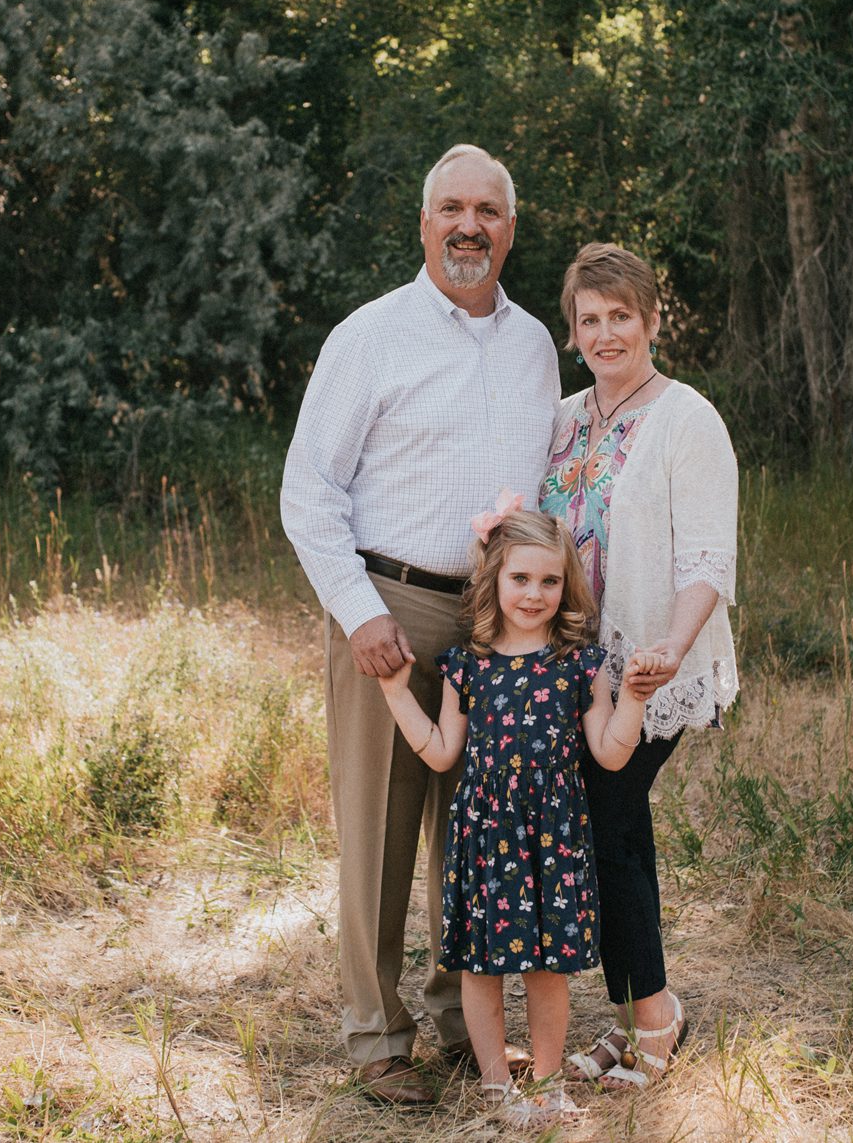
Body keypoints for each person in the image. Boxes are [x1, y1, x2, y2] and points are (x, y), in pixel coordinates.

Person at [280, 145, 560, 1105]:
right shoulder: (372, 335)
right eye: (452, 208)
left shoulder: (533, 345)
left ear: (510, 229)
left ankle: (458, 1019)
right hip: (389, 604)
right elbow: (307, 491)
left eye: (487, 209)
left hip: (497, 619)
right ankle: (375, 1036)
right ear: (425, 223)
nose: (469, 225)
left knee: (476, 832)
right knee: (380, 828)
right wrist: (358, 612)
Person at [376, 502, 663, 1125]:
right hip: (485, 836)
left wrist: (634, 700)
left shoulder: (578, 665)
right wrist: (398, 694)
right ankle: (496, 1087)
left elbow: (611, 754)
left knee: (546, 967)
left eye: (550, 581)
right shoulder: (467, 665)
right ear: (494, 579)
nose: (535, 594)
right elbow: (442, 749)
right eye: (521, 579)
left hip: (553, 838)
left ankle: (549, 1084)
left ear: (567, 586)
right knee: (483, 965)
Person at [540, 241, 740, 1090]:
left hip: (650, 663)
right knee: (599, 828)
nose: (607, 332)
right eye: (591, 319)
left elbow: (707, 560)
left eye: (622, 315)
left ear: (653, 318)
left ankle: (655, 1015)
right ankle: (629, 1019)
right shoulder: (561, 417)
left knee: (610, 819)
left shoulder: (689, 418)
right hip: (572, 665)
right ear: (573, 329)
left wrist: (667, 646)